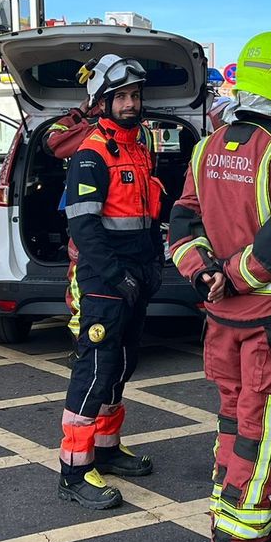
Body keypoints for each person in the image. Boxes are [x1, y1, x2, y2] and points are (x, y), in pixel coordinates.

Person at [169, 32, 271, 542]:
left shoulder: (208, 146)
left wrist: (203, 274)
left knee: (234, 420)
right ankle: (244, 541)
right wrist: (233, 277)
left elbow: (183, 221)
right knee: (264, 427)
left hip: (221, 319)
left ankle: (227, 511)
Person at [56, 54, 166, 510]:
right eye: (121, 96)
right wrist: (118, 275)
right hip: (105, 281)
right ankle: (75, 471)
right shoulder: (91, 153)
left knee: (121, 367)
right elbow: (84, 228)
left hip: (136, 276)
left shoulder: (140, 145)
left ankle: (105, 449)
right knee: (96, 371)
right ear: (102, 102)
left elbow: (145, 215)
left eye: (135, 95)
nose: (130, 103)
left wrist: (152, 267)